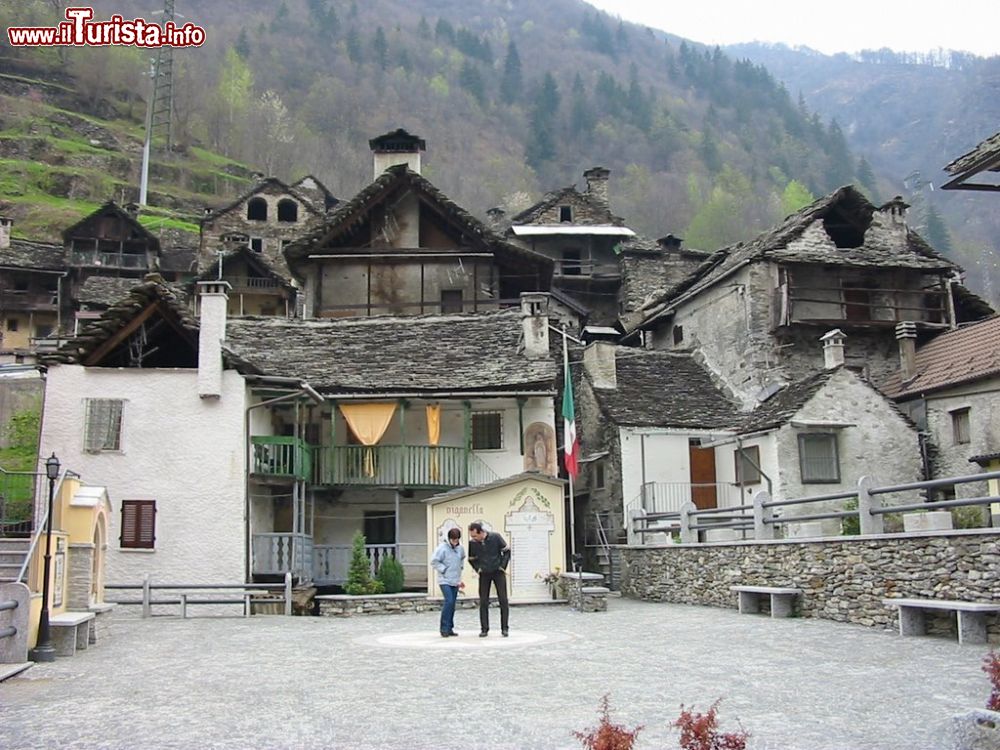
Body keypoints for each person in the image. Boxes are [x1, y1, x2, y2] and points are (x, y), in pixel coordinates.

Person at [467, 521, 510, 637]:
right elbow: (471, 559)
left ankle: (505, 628)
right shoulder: (473, 543)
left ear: (481, 532)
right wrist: (478, 568)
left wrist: (502, 566)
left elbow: (506, 551)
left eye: (475, 536)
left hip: (498, 572)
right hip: (484, 574)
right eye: (472, 536)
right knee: (483, 601)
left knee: (503, 599)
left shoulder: (495, 537)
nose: (473, 538)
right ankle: (484, 628)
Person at [430, 527, 465, 637]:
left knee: (452, 604)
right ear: (449, 539)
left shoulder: (460, 549)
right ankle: (443, 628)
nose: (455, 542)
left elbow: (462, 559)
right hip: (444, 580)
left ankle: (450, 628)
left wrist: (460, 572)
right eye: (453, 540)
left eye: (457, 540)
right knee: (448, 601)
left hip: (455, 580)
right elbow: (434, 561)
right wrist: (443, 569)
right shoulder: (442, 548)